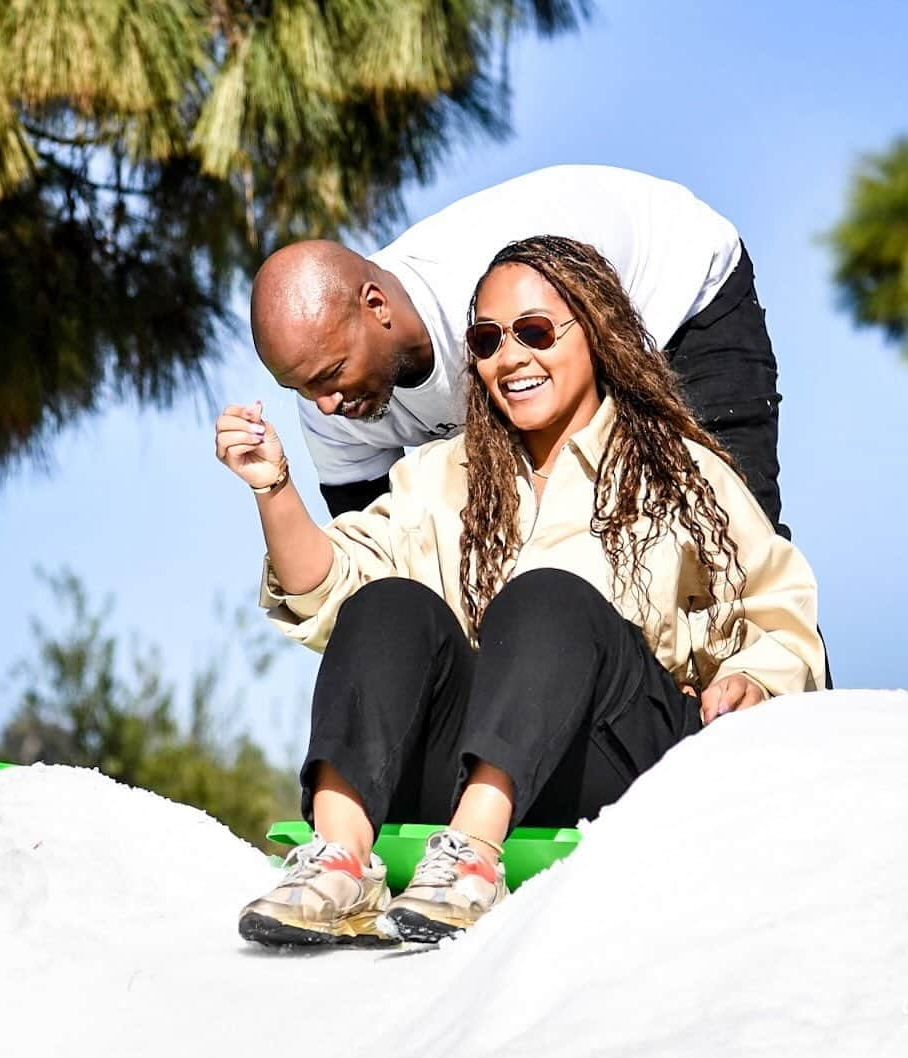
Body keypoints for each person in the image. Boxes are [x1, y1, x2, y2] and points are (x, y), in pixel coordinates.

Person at [218, 235, 825, 948]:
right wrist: (274, 488)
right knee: (387, 604)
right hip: (479, 765)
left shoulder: (682, 473)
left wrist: (752, 678)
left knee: (547, 599)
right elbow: (331, 587)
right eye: (486, 339)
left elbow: (780, 616)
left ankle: (475, 857)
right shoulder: (445, 477)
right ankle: (341, 862)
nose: (511, 357)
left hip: (620, 758)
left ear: (594, 333)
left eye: (534, 332)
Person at [250, 164, 787, 536]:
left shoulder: (488, 300)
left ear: (376, 306)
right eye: (301, 388)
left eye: (332, 374)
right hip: (568, 347)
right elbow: (373, 562)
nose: (324, 403)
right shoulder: (328, 400)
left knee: (728, 525)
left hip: (679, 289)